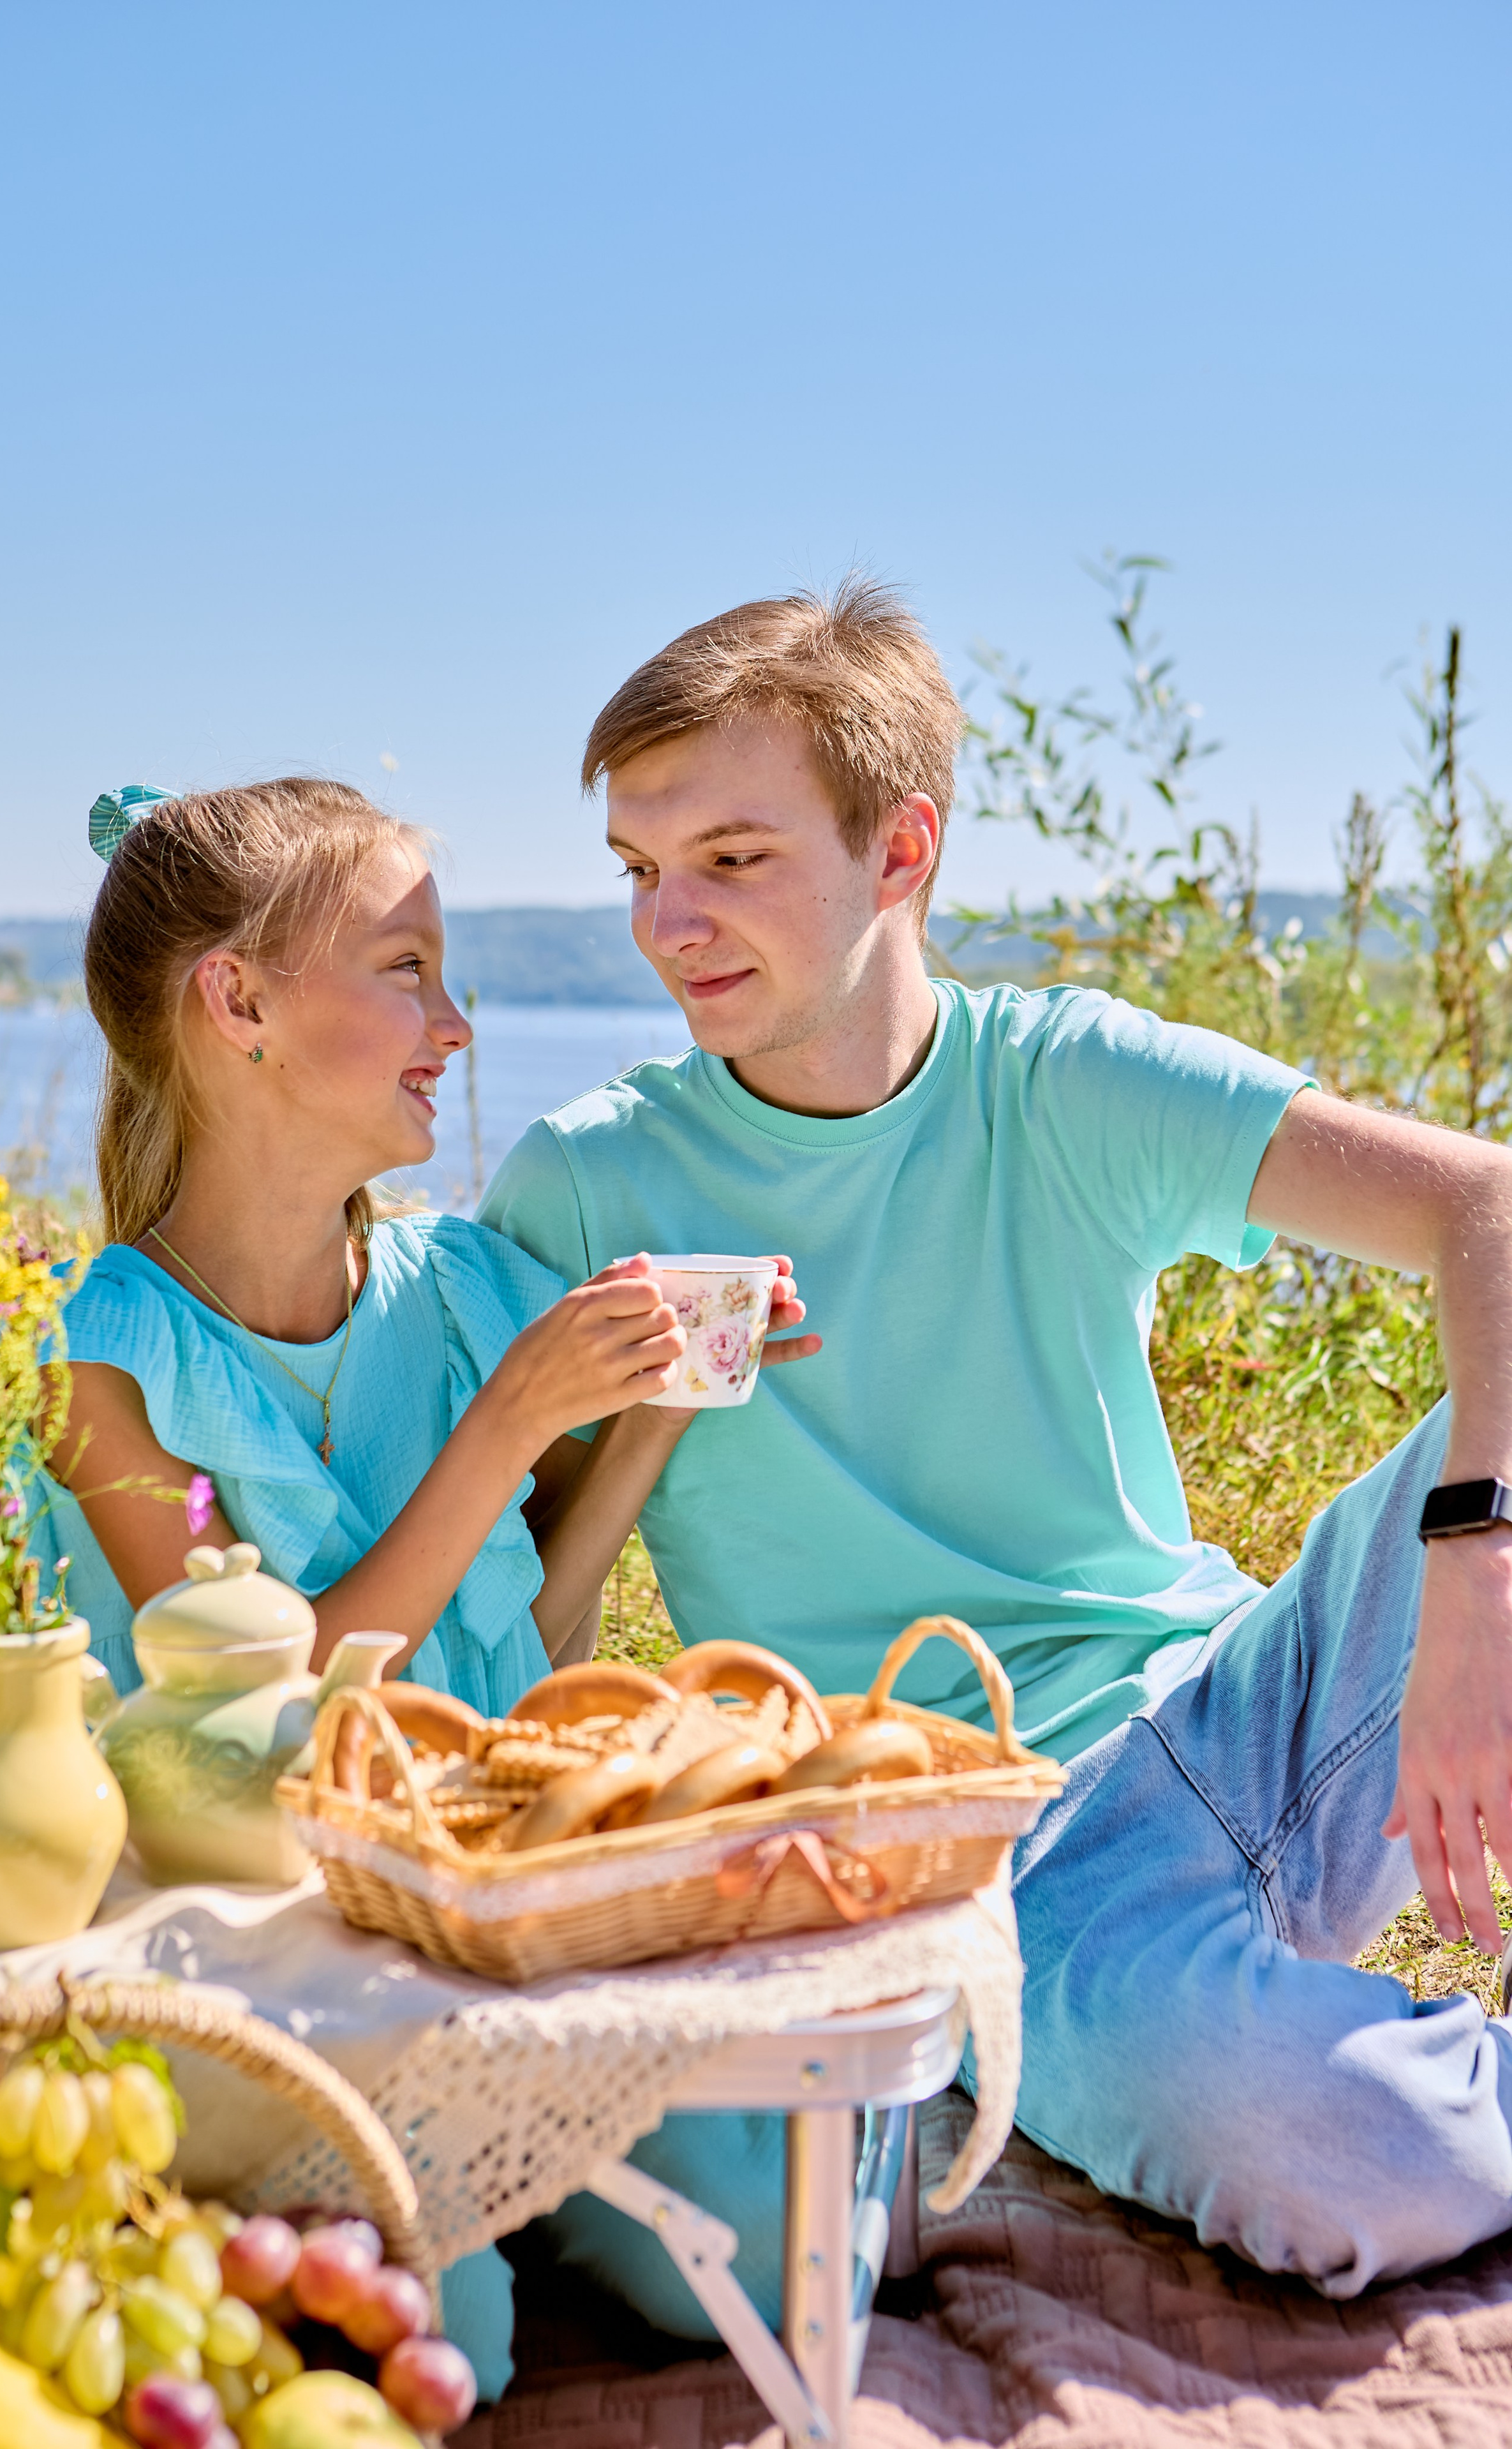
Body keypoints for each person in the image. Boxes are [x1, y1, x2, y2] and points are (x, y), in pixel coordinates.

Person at [479, 577, 1512, 2328]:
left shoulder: (1059, 1081)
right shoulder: (586, 1186)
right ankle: (1198, 2064)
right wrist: (643, 1403)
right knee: (1317, 2145)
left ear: (901, 853)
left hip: (1239, 1705)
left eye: (732, 856)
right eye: (640, 866)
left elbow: (1486, 1206)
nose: (670, 920)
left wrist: (1475, 1577)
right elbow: (535, 1648)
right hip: (976, 1850)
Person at [25, 773, 812, 2397]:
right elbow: (275, 1706)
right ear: (236, 1002)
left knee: (742, 2227)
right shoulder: (98, 1359)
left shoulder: (454, 1288)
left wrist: (651, 1410)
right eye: (406, 970)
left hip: (481, 1911)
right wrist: (515, 1419)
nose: (452, 1024)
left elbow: (521, 1640)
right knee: (460, 2336)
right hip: (253, 1951)